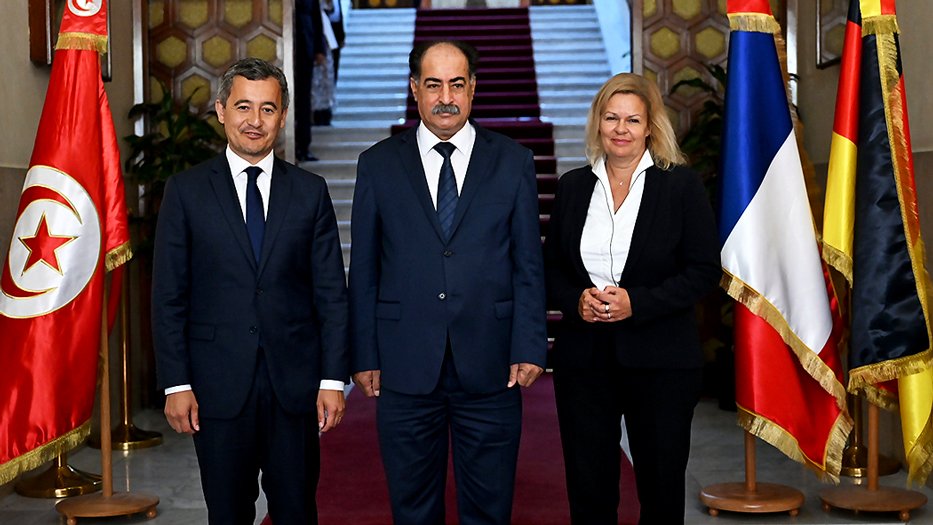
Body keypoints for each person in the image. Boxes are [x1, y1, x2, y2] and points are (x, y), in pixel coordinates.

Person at [348, 40, 547, 525]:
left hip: (492, 360)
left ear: (474, 89)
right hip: (405, 363)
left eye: (457, 84)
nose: (446, 97)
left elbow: (527, 263)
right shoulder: (377, 164)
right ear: (414, 89)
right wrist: (364, 353)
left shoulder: (514, 161)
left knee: (489, 506)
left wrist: (530, 345)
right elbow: (366, 268)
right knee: (413, 506)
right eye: (433, 84)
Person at [151, 57, 349, 525]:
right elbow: (169, 295)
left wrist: (331, 379)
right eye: (243, 106)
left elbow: (330, 294)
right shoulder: (186, 192)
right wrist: (177, 383)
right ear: (221, 110)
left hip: (294, 387)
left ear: (282, 116)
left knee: (297, 510)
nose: (254, 121)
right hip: (217, 387)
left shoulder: (310, 191)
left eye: (267, 109)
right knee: (227, 512)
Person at [543, 72, 720, 524]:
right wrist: (575, 300)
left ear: (650, 126)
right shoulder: (573, 186)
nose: (621, 129)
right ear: (598, 123)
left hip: (661, 360)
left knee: (660, 490)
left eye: (633, 120)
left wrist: (636, 303)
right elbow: (552, 267)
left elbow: (703, 271)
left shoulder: (680, 186)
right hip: (585, 360)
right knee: (589, 487)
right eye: (611, 117)